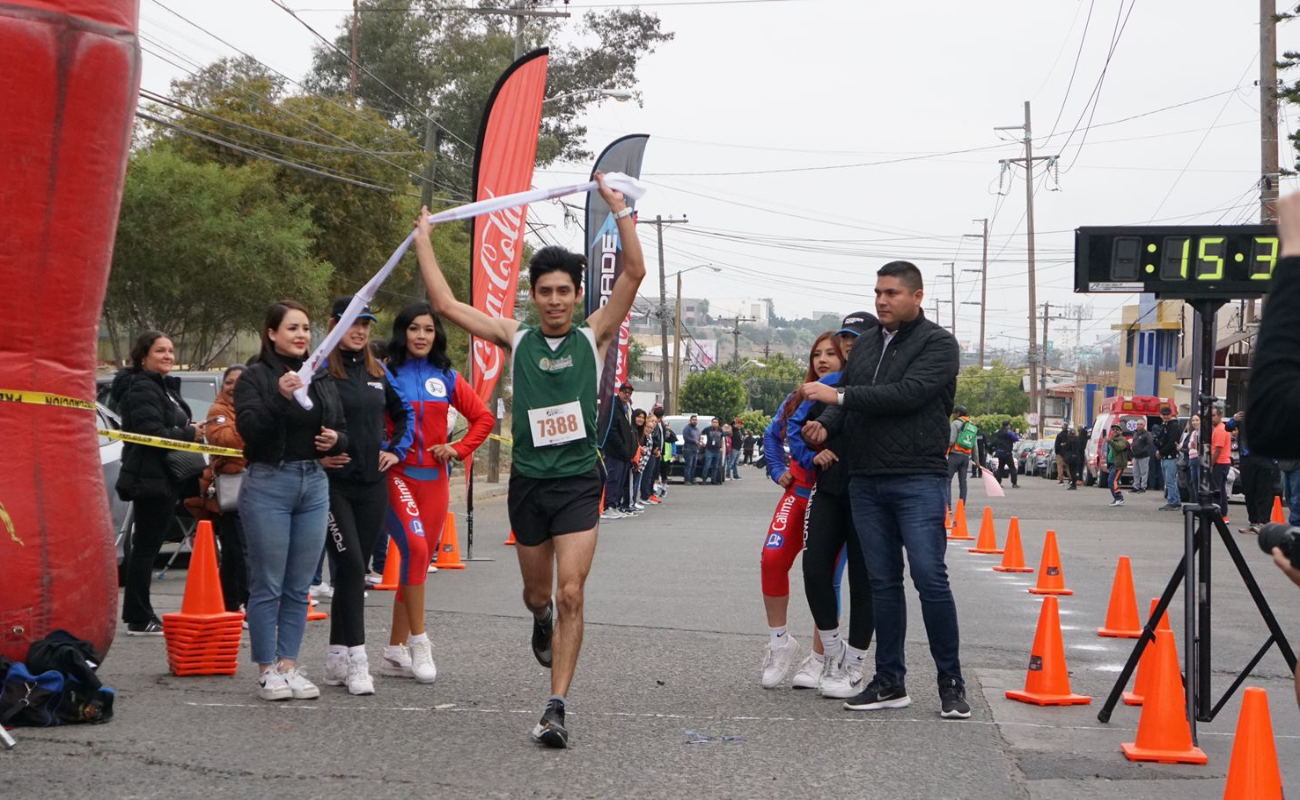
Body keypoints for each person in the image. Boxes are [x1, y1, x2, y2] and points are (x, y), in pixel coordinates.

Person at [411, 171, 645, 748]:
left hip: (577, 482)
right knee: (539, 596)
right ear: (534, 295)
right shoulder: (515, 337)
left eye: (565, 291)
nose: (556, 300)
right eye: (546, 291)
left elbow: (635, 273)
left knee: (572, 594)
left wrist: (618, 211)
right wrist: (422, 237)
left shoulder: (595, 334)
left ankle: (556, 707)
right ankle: (539, 620)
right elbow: (442, 303)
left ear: (577, 296)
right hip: (529, 486)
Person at [801, 261, 969, 720]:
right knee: (882, 584)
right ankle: (889, 681)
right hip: (866, 479)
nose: (881, 300)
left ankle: (950, 682)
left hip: (917, 476)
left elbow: (907, 394)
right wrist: (823, 427)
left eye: (892, 293)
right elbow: (848, 404)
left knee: (930, 578)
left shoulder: (938, 343)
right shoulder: (869, 340)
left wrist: (839, 399)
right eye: (878, 292)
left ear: (917, 296)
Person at [235, 300, 348, 701]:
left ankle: (289, 664)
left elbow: (340, 427)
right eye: (292, 328)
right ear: (271, 333)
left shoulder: (317, 376)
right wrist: (279, 398)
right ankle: (267, 670)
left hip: (314, 482)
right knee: (268, 581)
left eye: (305, 328)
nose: (301, 335)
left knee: (300, 585)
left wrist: (337, 439)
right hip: (269, 481)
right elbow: (250, 431)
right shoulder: (254, 377)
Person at [381, 301, 493, 682]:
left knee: (417, 564)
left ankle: (393, 652)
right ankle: (420, 642)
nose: (422, 336)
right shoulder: (385, 374)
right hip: (397, 477)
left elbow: (484, 418)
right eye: (414, 329)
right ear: (403, 332)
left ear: (436, 335)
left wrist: (458, 449)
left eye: (428, 330)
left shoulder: (446, 376)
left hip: (436, 482)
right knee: (413, 549)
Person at [311, 297, 412, 696]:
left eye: (366, 325)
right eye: (352, 323)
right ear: (334, 325)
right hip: (335, 486)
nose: (360, 331)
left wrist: (395, 451)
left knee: (356, 570)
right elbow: (299, 420)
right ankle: (357, 659)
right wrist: (315, 458)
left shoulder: (377, 370)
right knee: (352, 567)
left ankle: (336, 656)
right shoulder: (319, 371)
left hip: (374, 485)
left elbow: (405, 413)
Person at [791, 313, 876, 697]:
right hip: (828, 491)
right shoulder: (828, 384)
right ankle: (832, 651)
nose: (848, 344)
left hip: (870, 491)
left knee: (864, 579)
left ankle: (856, 661)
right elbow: (816, 420)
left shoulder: (882, 381)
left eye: (856, 338)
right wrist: (814, 441)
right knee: (813, 570)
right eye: (845, 337)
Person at [758, 333, 845, 689]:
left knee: (826, 578)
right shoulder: (799, 395)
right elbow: (771, 435)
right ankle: (779, 643)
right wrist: (778, 470)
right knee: (772, 559)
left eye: (831, 354)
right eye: (816, 354)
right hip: (798, 493)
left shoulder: (850, 396)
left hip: (835, 498)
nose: (822, 359)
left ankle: (819, 658)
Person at [111, 331, 201, 635]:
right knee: (146, 548)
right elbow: (153, 432)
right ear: (143, 356)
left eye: (171, 351)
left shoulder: (164, 387)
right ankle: (138, 616)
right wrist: (190, 434)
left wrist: (191, 428)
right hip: (150, 477)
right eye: (160, 350)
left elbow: (171, 424)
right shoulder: (141, 388)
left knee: (148, 546)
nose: (168, 356)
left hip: (169, 476)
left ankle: (141, 612)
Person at [202, 365, 249, 614]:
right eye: (229, 382)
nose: (234, 387)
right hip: (231, 487)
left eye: (240, 382)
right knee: (241, 548)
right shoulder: (218, 410)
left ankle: (228, 605)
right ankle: (249, 603)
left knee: (233, 552)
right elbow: (224, 440)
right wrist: (249, 421)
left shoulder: (254, 406)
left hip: (256, 484)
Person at [1227, 411, 1274, 535]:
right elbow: (1228, 427)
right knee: (1249, 490)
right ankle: (1253, 522)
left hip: (1265, 458)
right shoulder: (1244, 417)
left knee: (1263, 491)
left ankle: (1263, 522)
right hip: (1247, 458)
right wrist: (1234, 419)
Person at [598, 383, 636, 518]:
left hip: (625, 453)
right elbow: (612, 430)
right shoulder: (613, 406)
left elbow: (631, 429)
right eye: (624, 392)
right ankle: (608, 506)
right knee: (613, 479)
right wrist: (623, 448)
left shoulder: (627, 407)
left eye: (629, 393)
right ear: (619, 392)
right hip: (615, 451)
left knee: (620, 480)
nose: (627, 394)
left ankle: (614, 505)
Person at [1155, 407, 1184, 510]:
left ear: (1171, 415)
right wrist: (1158, 449)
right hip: (1165, 457)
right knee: (1169, 481)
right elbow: (1161, 440)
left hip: (1171, 457)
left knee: (1170, 481)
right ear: (1160, 415)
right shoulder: (1164, 426)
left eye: (1168, 414)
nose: (1166, 416)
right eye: (1164, 414)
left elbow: (1171, 442)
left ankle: (1173, 502)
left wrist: (1161, 451)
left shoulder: (1174, 426)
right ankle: (1176, 501)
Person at [947, 405, 975, 505]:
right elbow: (973, 444)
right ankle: (961, 506)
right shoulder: (971, 425)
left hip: (955, 455)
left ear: (958, 413)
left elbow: (951, 441)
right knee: (963, 483)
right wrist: (976, 460)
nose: (953, 415)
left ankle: (948, 506)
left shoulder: (955, 423)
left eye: (954, 413)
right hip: (966, 457)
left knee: (947, 480)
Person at [1210, 407, 1233, 521]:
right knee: (1221, 489)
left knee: (1216, 490)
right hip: (1224, 463)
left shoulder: (1219, 430)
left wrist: (1211, 464)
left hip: (1219, 463)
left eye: (1213, 415)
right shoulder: (1221, 428)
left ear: (1219, 416)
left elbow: (1218, 450)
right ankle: (1223, 515)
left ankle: (1217, 515)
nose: (1211, 418)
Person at [640, 407, 664, 505]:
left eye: (655, 421)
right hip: (647, 456)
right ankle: (644, 496)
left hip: (653, 455)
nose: (654, 423)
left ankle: (649, 494)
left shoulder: (657, 428)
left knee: (651, 476)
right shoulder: (647, 431)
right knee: (646, 477)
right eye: (652, 421)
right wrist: (655, 448)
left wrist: (658, 449)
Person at [629, 408, 649, 512]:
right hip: (630, 460)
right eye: (638, 417)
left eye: (642, 417)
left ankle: (632, 503)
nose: (641, 419)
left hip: (638, 461)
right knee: (630, 484)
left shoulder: (639, 432)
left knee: (635, 483)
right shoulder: (631, 429)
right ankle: (628, 504)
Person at [1181, 415, 1202, 505]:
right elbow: (1190, 446)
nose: (1194, 422)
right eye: (1193, 420)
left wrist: (1196, 445)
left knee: (1199, 482)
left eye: (1197, 420)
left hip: (1199, 459)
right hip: (1192, 459)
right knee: (1194, 482)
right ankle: (1196, 503)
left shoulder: (1202, 432)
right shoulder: (1193, 433)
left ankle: (1201, 503)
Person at [1106, 425, 1129, 507]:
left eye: (1117, 430)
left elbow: (1120, 447)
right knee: (1111, 481)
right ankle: (1117, 499)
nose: (1115, 431)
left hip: (1118, 465)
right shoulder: (1112, 439)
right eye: (1113, 430)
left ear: (1121, 431)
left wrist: (1110, 442)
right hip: (1112, 464)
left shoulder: (1122, 440)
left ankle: (1119, 498)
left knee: (1113, 481)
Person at [992, 421, 1019, 488]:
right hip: (1007, 453)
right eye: (1009, 425)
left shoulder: (998, 432)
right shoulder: (1008, 432)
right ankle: (1014, 483)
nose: (1010, 426)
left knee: (1000, 468)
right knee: (1012, 468)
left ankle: (998, 483)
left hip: (1000, 453)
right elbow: (1016, 439)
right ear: (1007, 426)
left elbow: (994, 441)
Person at [1130, 420, 1152, 493]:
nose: (1139, 425)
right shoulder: (1135, 434)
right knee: (1135, 472)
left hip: (1144, 456)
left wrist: (1142, 451)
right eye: (1138, 424)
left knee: (1144, 472)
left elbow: (1149, 445)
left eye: (1141, 424)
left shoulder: (1147, 434)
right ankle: (1136, 486)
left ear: (1144, 425)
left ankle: (1143, 487)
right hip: (1135, 456)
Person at [703, 418, 724, 485]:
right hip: (709, 450)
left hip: (717, 450)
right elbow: (701, 435)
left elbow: (722, 439)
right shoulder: (707, 429)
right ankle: (704, 479)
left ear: (718, 423)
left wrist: (721, 447)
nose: (715, 423)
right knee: (707, 465)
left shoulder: (720, 430)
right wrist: (703, 443)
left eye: (716, 422)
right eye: (714, 422)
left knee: (715, 466)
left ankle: (713, 480)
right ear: (711, 423)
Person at [681, 414, 701, 485]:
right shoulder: (687, 428)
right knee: (688, 465)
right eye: (693, 420)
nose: (695, 421)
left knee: (693, 466)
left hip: (695, 449)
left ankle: (692, 479)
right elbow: (686, 437)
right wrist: (694, 441)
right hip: (688, 449)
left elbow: (699, 437)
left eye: (696, 420)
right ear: (690, 421)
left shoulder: (697, 429)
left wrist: (700, 441)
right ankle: (687, 480)